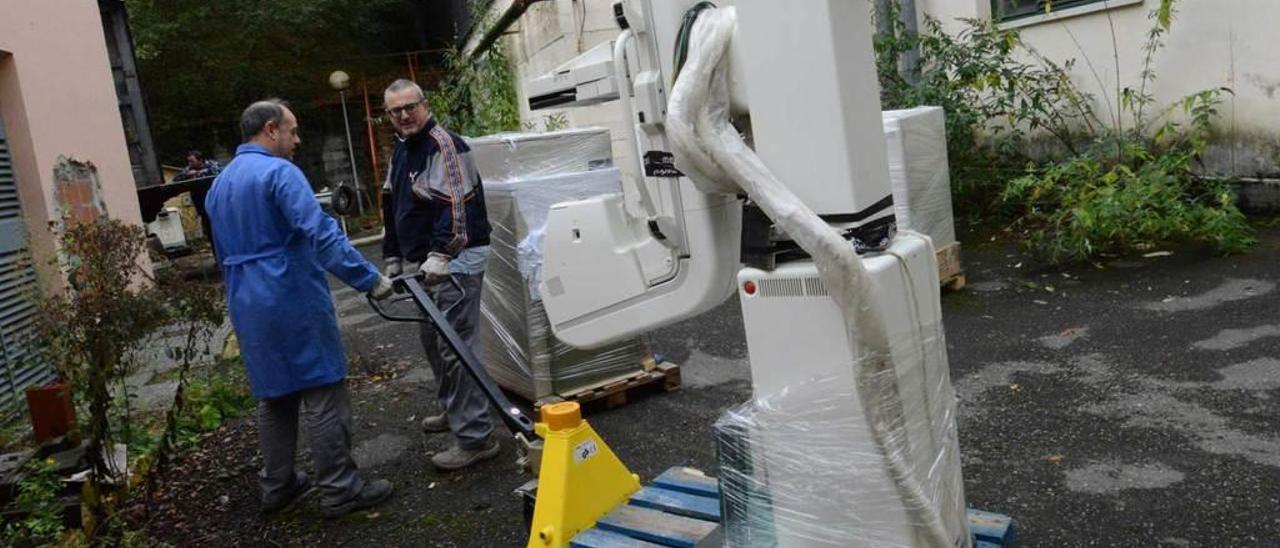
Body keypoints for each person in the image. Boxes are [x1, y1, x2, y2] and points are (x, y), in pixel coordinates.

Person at [205, 99, 396, 518]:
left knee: (275, 397)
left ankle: (278, 486)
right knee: (323, 389)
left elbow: (221, 253)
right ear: (271, 130)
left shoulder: (219, 184)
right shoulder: (279, 173)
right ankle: (340, 490)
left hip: (246, 301)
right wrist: (370, 279)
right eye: (292, 131)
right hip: (290, 294)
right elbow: (321, 233)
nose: (297, 140)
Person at [380, 79, 499, 471]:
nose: (403, 115)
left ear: (424, 104)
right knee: (432, 340)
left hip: (455, 259)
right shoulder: (403, 150)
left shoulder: (444, 145)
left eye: (409, 107)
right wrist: (394, 254)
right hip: (424, 262)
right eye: (395, 111)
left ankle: (475, 437)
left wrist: (440, 253)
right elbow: (393, 202)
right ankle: (455, 412)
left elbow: (459, 210)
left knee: (457, 346)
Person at [174, 150, 222, 258]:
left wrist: (200, 173)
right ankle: (217, 258)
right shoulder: (188, 170)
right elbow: (176, 179)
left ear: (200, 160)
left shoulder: (212, 165)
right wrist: (188, 174)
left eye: (192, 161)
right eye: (188, 162)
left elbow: (220, 172)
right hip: (202, 207)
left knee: (222, 232)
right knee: (211, 234)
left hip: (217, 205)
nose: (190, 164)